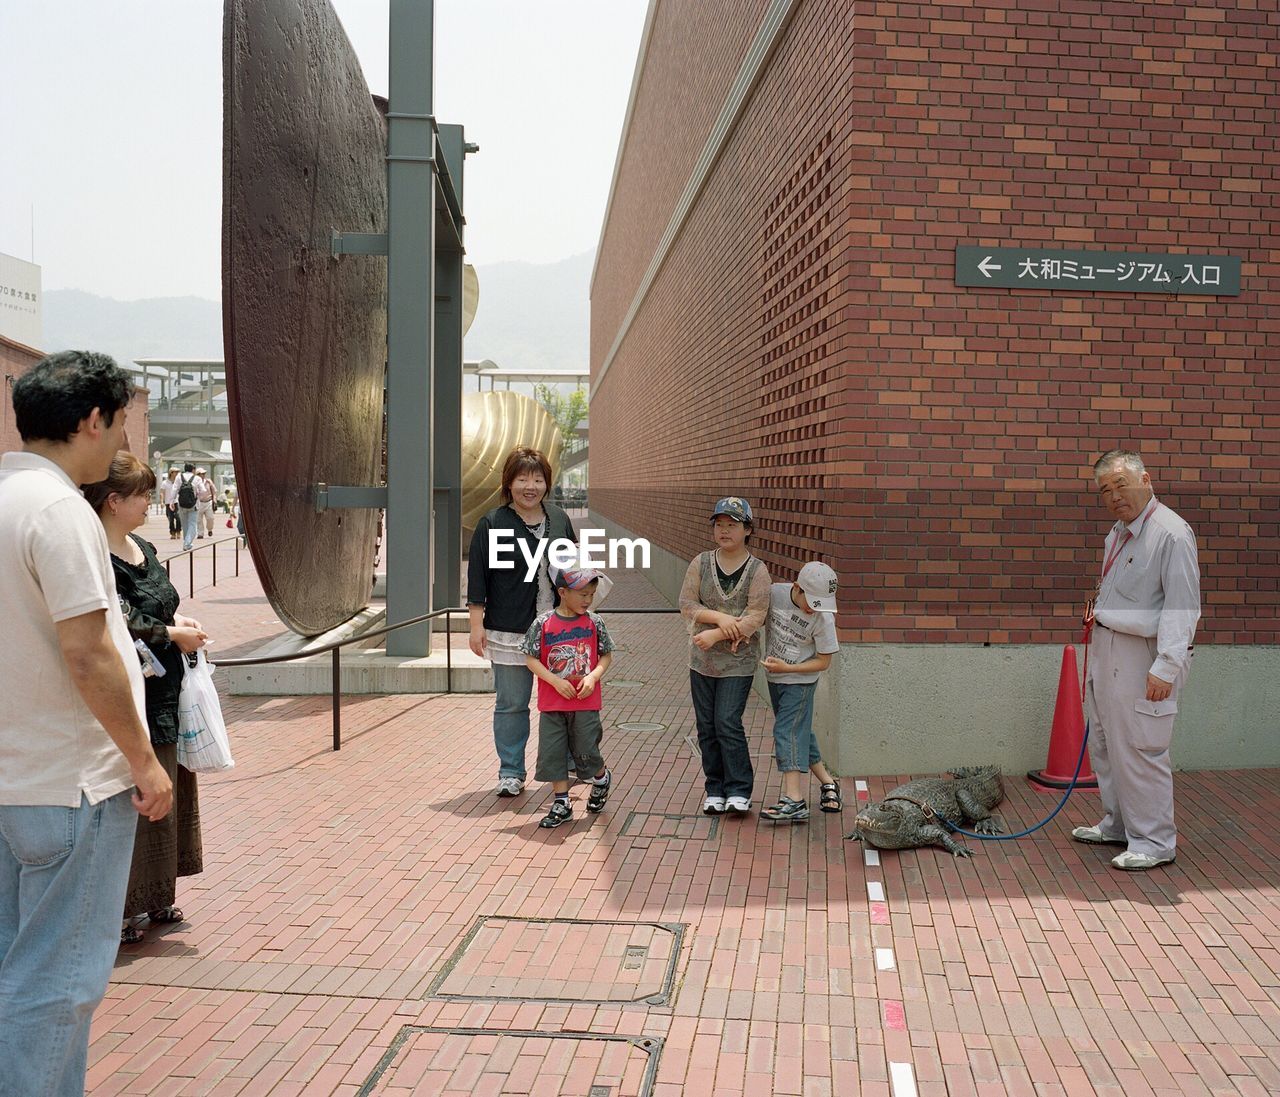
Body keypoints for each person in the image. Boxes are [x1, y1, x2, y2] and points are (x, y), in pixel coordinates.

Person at [0, 350, 173, 1096]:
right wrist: (143, 758)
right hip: (72, 781)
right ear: (91, 420)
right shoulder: (60, 511)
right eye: (121, 424)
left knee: (19, 968)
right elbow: (88, 650)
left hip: (14, 778)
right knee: (58, 984)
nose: (121, 444)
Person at [84, 452, 209, 944]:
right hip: (131, 691)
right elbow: (119, 621)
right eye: (140, 495)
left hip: (166, 688)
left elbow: (163, 602)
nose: (149, 502)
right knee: (136, 794)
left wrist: (183, 626)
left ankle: (157, 896)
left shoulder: (142, 546)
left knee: (168, 788)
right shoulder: (96, 556)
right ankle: (121, 907)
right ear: (114, 501)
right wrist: (171, 633)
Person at [1072, 449, 1200, 871]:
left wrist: (1166, 667)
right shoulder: (1120, 531)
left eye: (1121, 485)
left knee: (1141, 748)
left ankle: (1155, 841)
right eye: (1105, 490)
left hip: (1143, 656)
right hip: (1108, 648)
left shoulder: (1171, 534)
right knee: (1107, 743)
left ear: (1146, 479)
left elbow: (1184, 607)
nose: (1114, 495)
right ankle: (1119, 825)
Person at [467, 447, 577, 797]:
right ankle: (511, 771)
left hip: (559, 628)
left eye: (538, 479)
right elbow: (478, 577)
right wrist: (475, 624)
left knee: (565, 702)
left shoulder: (559, 519)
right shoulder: (493, 523)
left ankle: (570, 762)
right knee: (512, 703)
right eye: (522, 479)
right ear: (509, 483)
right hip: (509, 629)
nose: (530, 486)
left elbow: (573, 571)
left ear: (547, 483)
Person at [680, 497, 770, 816]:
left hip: (738, 661)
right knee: (706, 725)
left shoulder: (758, 570)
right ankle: (715, 789)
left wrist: (718, 633)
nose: (724, 530)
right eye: (719, 524)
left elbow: (756, 614)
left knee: (727, 721)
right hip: (701, 660)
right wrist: (720, 618)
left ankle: (739, 790)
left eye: (732, 524)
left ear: (748, 529)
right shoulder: (701, 563)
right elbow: (687, 604)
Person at [520, 565, 616, 828]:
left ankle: (600, 777)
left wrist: (593, 676)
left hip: (586, 703)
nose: (587, 600)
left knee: (587, 749)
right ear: (562, 592)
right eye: (582, 594)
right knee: (553, 753)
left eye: (591, 594)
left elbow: (606, 655)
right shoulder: (543, 623)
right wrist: (553, 680)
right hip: (552, 704)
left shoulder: (594, 622)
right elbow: (530, 657)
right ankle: (561, 802)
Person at [759, 562, 843, 822]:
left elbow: (824, 662)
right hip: (776, 679)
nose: (814, 609)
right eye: (811, 601)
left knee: (787, 732)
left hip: (801, 682)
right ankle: (829, 783)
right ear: (797, 588)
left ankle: (794, 800)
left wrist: (787, 666)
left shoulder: (824, 616)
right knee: (800, 732)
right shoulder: (774, 594)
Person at [176, 461, 199, 550]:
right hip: (193, 505)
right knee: (192, 524)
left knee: (184, 524)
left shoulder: (179, 477)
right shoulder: (197, 478)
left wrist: (171, 502)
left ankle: (186, 542)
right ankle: (187, 543)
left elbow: (175, 489)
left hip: (182, 504)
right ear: (193, 469)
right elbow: (203, 490)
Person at [194, 466, 216, 538]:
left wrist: (214, 501)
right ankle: (200, 533)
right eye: (201, 474)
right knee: (198, 520)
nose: (203, 475)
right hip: (199, 502)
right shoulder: (195, 483)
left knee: (210, 518)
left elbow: (214, 492)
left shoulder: (208, 481)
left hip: (208, 502)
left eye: (204, 473)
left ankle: (210, 529)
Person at [161, 466, 182, 540]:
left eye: (177, 472)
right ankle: (172, 532)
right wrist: (162, 502)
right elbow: (162, 493)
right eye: (175, 472)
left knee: (178, 517)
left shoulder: (179, 482)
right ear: (171, 473)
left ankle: (178, 531)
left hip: (176, 502)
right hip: (168, 502)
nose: (177, 474)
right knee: (171, 518)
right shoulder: (165, 483)